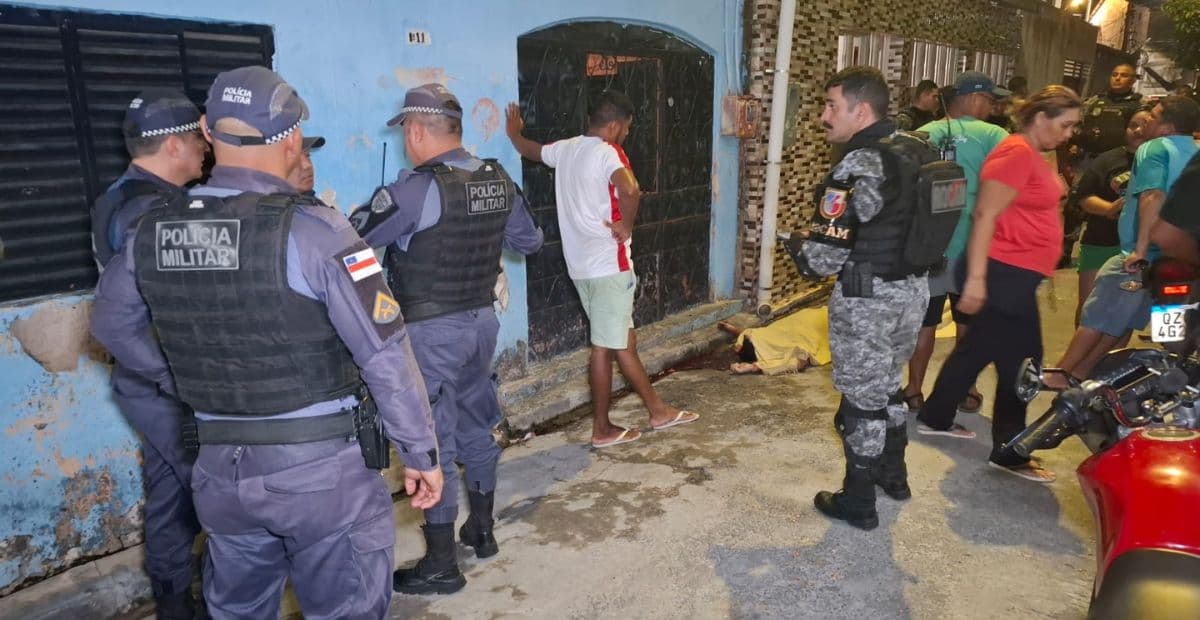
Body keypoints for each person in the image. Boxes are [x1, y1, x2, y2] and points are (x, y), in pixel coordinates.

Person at [89, 66, 443, 620]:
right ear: (294, 137)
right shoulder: (319, 232)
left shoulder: (155, 232)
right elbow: (384, 352)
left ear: (207, 130)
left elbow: (110, 324)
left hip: (221, 473)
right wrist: (420, 453)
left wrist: (177, 379)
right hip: (323, 475)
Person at [350, 83, 543, 595]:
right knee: (477, 422)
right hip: (482, 322)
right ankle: (481, 530)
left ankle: (440, 563)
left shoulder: (413, 189)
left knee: (433, 440)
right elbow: (530, 240)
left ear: (415, 131)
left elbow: (348, 245)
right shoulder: (496, 177)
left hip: (430, 331)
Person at [504, 90, 699, 449]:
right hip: (609, 264)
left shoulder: (566, 148)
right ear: (613, 126)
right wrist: (626, 225)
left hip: (580, 266)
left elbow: (531, 151)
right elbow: (631, 189)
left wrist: (514, 134)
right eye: (625, 128)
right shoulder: (608, 152)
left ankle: (658, 410)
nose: (626, 135)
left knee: (622, 339)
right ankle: (602, 428)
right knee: (604, 347)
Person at [916, 85, 1083, 484]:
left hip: (1013, 271)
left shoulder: (1034, 154)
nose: (1069, 134)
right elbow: (985, 216)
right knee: (1023, 362)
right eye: (1065, 125)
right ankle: (1009, 450)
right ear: (1041, 118)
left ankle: (935, 416)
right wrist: (974, 281)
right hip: (1003, 272)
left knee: (977, 349)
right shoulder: (1015, 153)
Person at [789, 66, 930, 530]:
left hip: (867, 295)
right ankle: (896, 477)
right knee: (888, 386)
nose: (824, 116)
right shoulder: (920, 150)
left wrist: (797, 246)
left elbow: (824, 260)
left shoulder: (858, 163)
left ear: (861, 110)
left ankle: (859, 500)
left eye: (832, 106)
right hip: (914, 291)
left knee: (861, 403)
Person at [89, 89, 208, 619]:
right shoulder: (147, 211)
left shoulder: (129, 196)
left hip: (150, 381)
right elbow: (127, 312)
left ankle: (175, 606)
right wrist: (175, 378)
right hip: (168, 381)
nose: (206, 151)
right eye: (199, 142)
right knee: (217, 495)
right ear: (175, 146)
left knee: (170, 496)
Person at [1045, 96, 1200, 385]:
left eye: (1153, 117)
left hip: (1141, 255)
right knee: (1129, 319)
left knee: (1097, 314)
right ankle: (1085, 372)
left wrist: (1139, 250)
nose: (1146, 124)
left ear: (1167, 126)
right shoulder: (1195, 151)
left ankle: (1060, 373)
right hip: (1177, 259)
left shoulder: (1153, 149)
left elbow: (1153, 196)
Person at [901, 72, 1010, 415]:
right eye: (990, 100)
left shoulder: (925, 134)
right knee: (968, 324)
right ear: (974, 98)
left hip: (928, 248)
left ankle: (913, 390)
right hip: (972, 250)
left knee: (925, 323)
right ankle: (966, 390)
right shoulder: (996, 136)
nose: (992, 108)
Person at [1068, 110, 1154, 326]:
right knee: (1089, 307)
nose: (1138, 130)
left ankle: (1113, 358)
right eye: (1132, 125)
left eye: (1144, 124)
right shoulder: (1108, 159)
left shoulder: (1159, 160)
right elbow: (1083, 197)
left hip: (1141, 247)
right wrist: (1108, 208)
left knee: (1126, 312)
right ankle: (1081, 358)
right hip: (1101, 241)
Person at [1062, 63, 1144, 267]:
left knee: (1114, 208)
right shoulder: (1094, 101)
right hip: (1090, 160)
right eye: (1115, 74)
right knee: (1075, 204)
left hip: (1121, 164)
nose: (1117, 78)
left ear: (1133, 80)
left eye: (1124, 75)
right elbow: (1077, 127)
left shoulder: (1139, 107)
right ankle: (1064, 249)